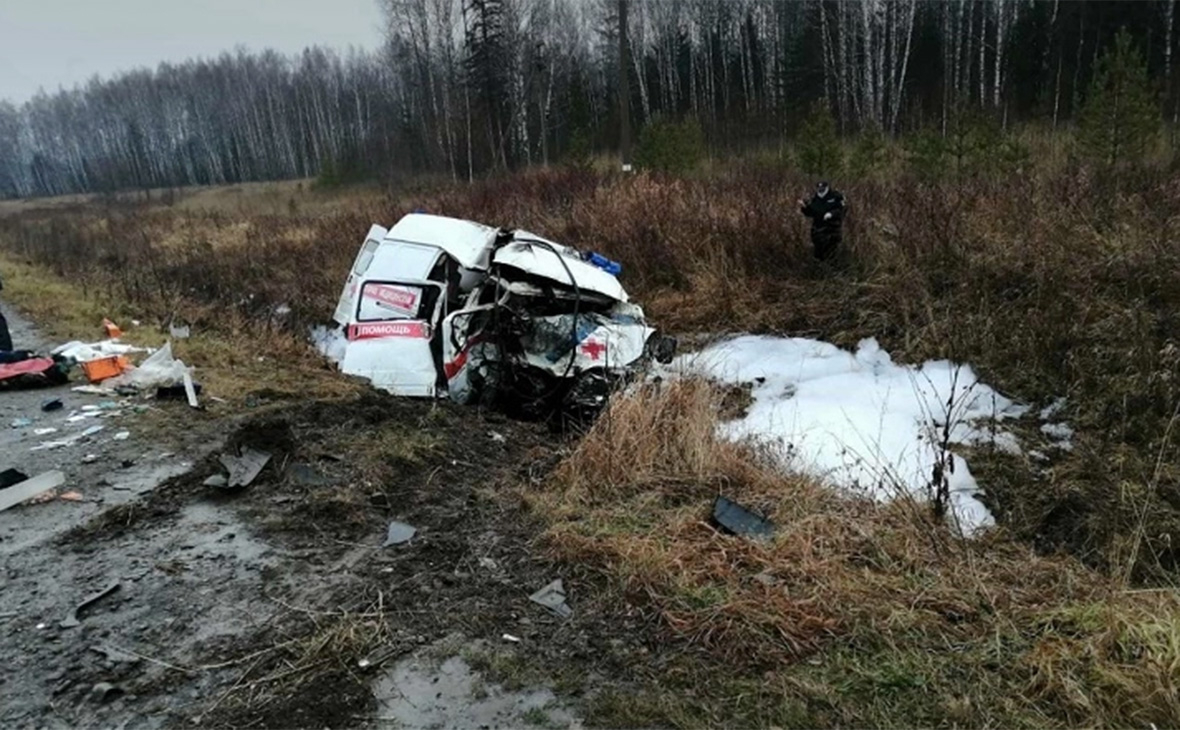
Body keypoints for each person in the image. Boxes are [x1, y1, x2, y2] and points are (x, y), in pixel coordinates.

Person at [798, 181, 846, 261]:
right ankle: (819, 268)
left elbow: (841, 210)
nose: (821, 190)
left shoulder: (836, 196)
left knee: (831, 252)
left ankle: (832, 268)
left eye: (823, 188)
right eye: (819, 188)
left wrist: (831, 214)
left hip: (832, 229)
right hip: (818, 229)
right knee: (818, 252)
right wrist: (804, 208)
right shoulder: (814, 199)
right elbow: (811, 213)